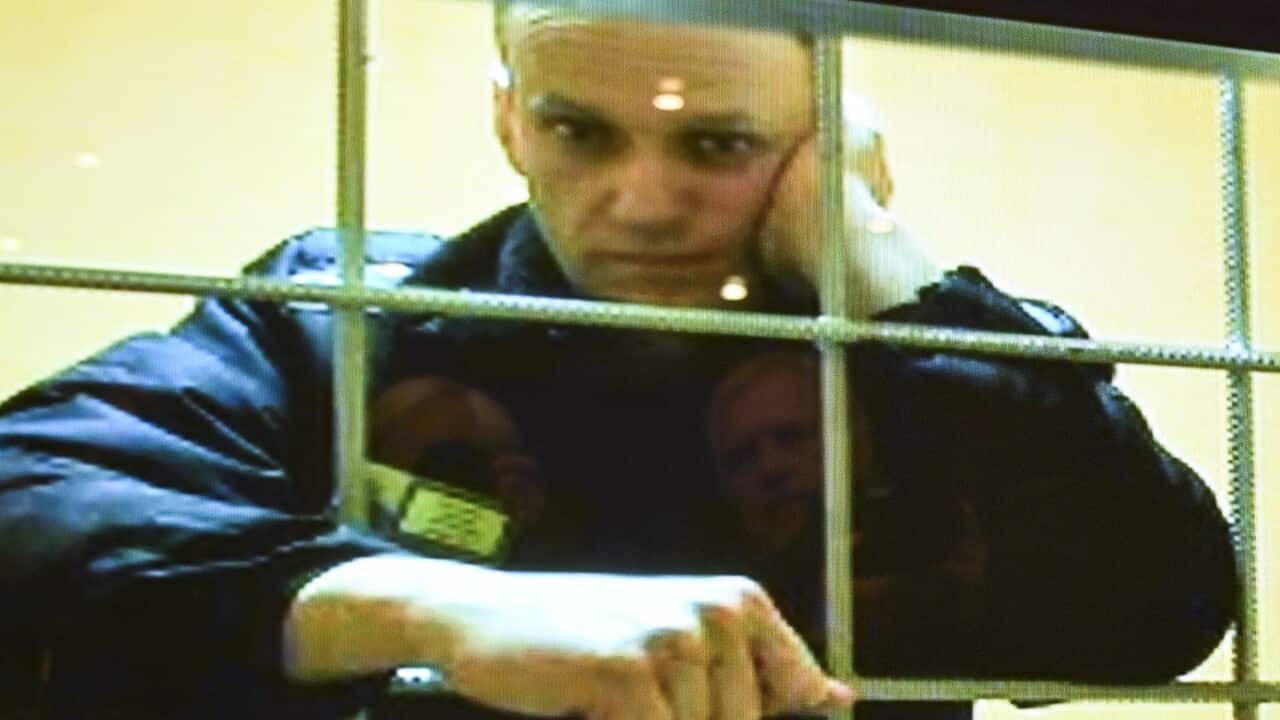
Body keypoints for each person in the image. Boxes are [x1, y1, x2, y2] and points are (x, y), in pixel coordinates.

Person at [0, 3, 1237, 720]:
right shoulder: (342, 310)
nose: (640, 204)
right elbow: (32, 507)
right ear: (505, 118)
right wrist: (417, 601)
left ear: (825, 138)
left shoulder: (940, 360)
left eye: (719, 143)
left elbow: (1151, 614)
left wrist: (871, 259)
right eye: (574, 130)